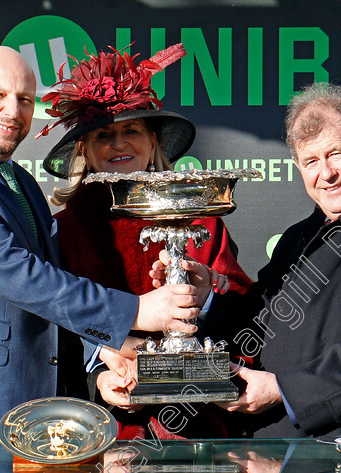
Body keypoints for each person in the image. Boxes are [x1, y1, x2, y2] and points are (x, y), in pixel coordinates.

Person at [0, 46, 202, 440]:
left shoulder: (21, 183)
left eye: (25, 100)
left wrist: (101, 351)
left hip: (29, 414)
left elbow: (44, 300)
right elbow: (19, 276)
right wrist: (135, 311)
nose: (13, 112)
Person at [156, 82, 341, 439]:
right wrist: (207, 299)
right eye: (311, 161)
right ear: (298, 166)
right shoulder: (296, 238)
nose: (326, 174)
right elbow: (256, 323)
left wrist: (285, 391)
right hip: (280, 458)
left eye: (336, 153)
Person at [37, 44, 252, 440]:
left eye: (132, 131)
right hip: (105, 435)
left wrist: (208, 299)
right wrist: (100, 367)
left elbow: (245, 316)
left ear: (154, 143)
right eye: (105, 135)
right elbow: (48, 327)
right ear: (85, 151)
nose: (119, 145)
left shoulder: (203, 220)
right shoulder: (63, 231)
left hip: (202, 432)